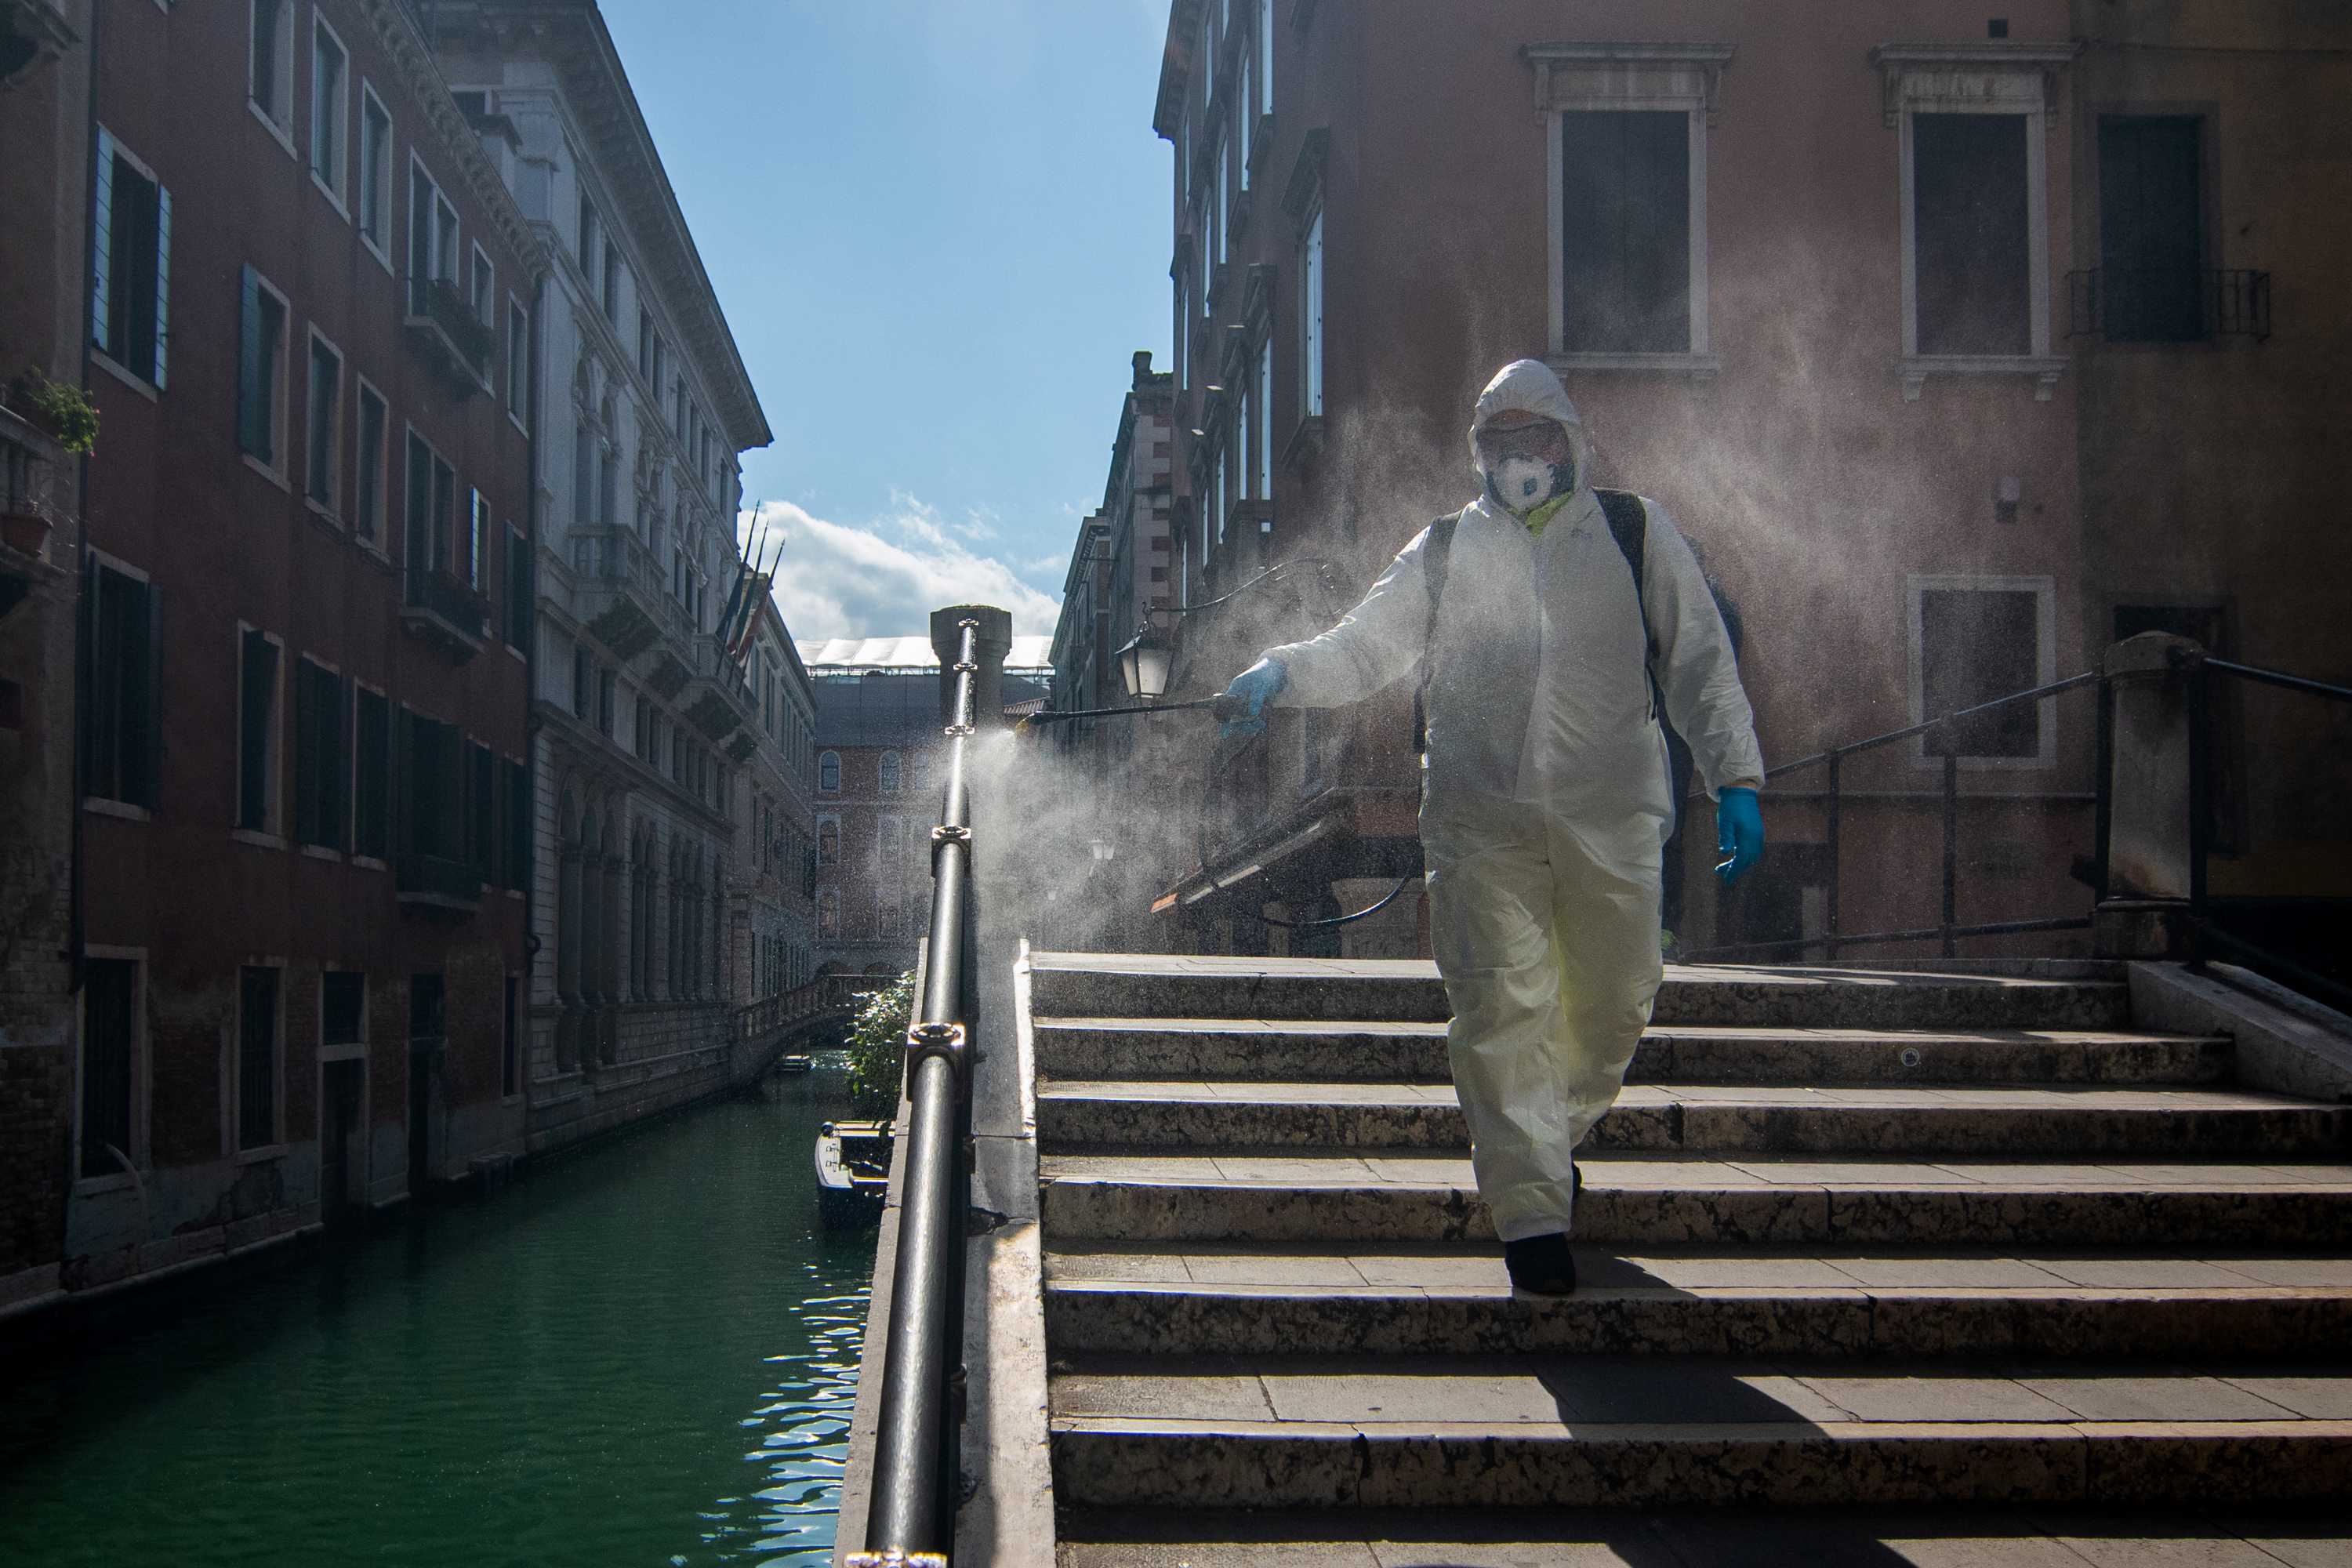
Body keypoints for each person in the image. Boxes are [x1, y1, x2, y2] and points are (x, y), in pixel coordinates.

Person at [1218, 359, 1765, 1295]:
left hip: (1614, 816)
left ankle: (1543, 1140)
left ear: (1569, 442)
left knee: (1616, 999)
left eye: (1536, 436)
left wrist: (1737, 777)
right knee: (1499, 1010)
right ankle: (1534, 1224)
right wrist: (1281, 672)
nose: (1521, 455)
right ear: (1481, 455)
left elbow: (1699, 661)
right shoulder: (1442, 550)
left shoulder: (1634, 531)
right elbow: (1364, 644)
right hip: (1476, 819)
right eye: (1500, 441)